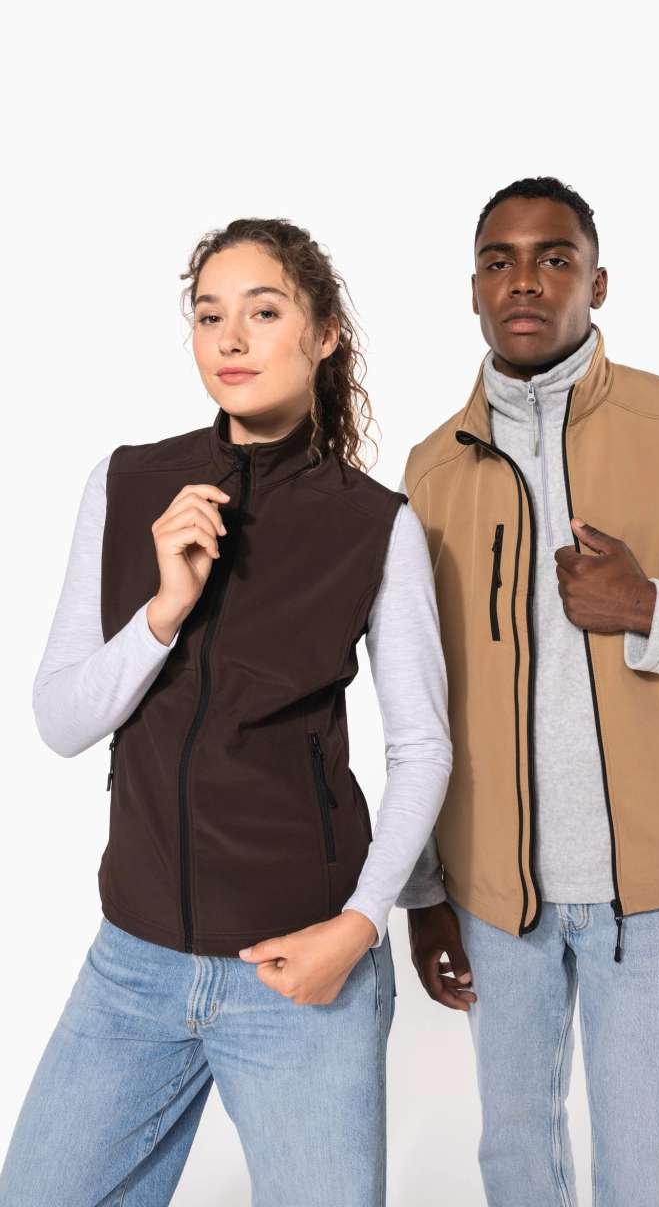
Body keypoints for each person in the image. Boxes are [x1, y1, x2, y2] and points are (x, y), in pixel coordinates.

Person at [0, 217, 452, 1206]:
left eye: (263, 311)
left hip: (300, 969)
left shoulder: (373, 525)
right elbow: (60, 720)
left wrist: (359, 927)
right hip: (134, 964)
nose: (232, 339)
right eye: (210, 316)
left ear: (323, 333)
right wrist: (161, 611)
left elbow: (422, 748)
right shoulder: (128, 483)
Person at [397, 177, 659, 1206]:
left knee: (651, 1178)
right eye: (498, 260)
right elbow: (418, 704)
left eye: (554, 257)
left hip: (656, 892)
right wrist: (427, 891)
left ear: (597, 282)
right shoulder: (429, 473)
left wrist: (647, 607)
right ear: (472, 288)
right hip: (495, 895)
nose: (524, 281)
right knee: (514, 1166)